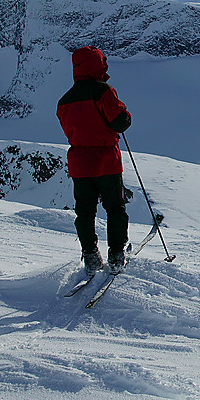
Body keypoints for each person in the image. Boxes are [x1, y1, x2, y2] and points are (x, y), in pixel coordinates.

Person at [57, 46, 132, 275]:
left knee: (85, 212)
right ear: (99, 64)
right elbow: (120, 121)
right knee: (115, 208)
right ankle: (117, 254)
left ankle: (90, 255)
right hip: (106, 160)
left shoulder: (64, 101)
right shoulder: (104, 91)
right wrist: (124, 115)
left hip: (79, 164)